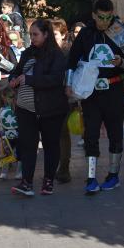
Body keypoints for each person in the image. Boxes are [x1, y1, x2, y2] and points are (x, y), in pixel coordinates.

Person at [66, 0, 124, 195]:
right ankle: (91, 177)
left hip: (114, 89)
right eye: (101, 17)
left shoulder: (120, 32)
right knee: (91, 134)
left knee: (115, 133)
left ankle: (113, 175)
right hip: (91, 92)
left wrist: (121, 61)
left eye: (109, 17)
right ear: (94, 15)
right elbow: (72, 60)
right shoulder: (86, 34)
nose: (105, 21)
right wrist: (69, 84)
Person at [9, 19, 68, 196]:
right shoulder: (27, 53)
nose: (32, 38)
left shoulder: (56, 55)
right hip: (25, 108)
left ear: (46, 34)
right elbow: (18, 70)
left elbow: (55, 80)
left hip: (50, 108)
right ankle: (26, 182)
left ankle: (48, 180)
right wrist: (13, 78)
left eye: (35, 34)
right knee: (28, 144)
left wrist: (30, 80)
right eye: (30, 34)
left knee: (51, 145)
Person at [51, 19, 73, 184]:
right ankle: (58, 165)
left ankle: (64, 168)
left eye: (56, 34)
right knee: (55, 133)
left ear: (64, 34)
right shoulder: (48, 50)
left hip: (65, 95)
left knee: (63, 133)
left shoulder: (67, 51)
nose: (52, 37)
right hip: (51, 96)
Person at [0, 87, 21, 180]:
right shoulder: (2, 109)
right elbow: (0, 122)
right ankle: (4, 172)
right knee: (6, 153)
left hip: (17, 133)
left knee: (19, 153)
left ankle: (19, 172)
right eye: (10, 97)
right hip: (6, 135)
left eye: (13, 97)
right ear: (3, 97)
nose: (11, 99)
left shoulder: (18, 108)